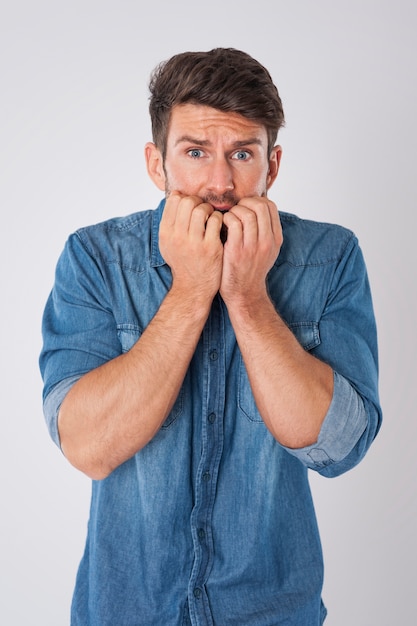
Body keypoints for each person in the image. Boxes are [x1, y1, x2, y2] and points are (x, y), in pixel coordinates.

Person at [39, 48, 382, 625]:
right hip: (126, 611)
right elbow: (88, 446)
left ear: (271, 166)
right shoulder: (95, 259)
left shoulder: (331, 257)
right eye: (195, 152)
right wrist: (191, 290)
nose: (219, 183)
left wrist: (247, 296)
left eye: (241, 153)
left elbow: (340, 447)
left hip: (274, 613)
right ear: (157, 163)